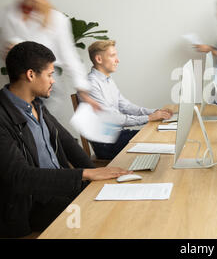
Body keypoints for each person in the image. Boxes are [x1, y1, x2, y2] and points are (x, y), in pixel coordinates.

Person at [0, 42, 131, 238]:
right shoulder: (3, 116)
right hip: (32, 207)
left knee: (120, 202)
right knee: (103, 218)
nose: (53, 81)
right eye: (50, 74)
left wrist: (96, 173)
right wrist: (85, 174)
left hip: (58, 189)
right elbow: (20, 177)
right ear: (30, 75)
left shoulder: (36, 104)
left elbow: (67, 142)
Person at [0, 0, 99, 125]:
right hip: (18, 87)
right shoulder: (8, 14)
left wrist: (85, 94)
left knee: (45, 133)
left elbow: (69, 58)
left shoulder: (56, 19)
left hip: (47, 88)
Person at [87, 40, 173, 159]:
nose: (118, 60)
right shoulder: (91, 84)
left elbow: (126, 106)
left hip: (118, 135)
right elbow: (112, 119)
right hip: (106, 144)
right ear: (99, 59)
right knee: (157, 138)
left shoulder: (108, 80)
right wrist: (149, 118)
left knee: (160, 134)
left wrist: (154, 112)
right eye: (112, 56)